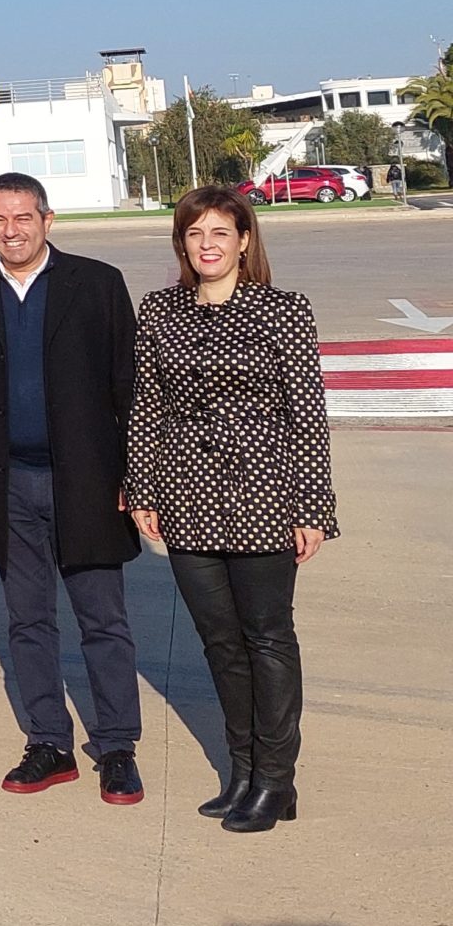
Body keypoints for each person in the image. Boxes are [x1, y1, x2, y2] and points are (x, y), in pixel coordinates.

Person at [126, 185, 338, 833]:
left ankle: (276, 779)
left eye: (221, 231)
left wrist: (312, 506)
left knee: (268, 637)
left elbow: (307, 414)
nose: (208, 244)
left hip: (267, 494)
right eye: (195, 234)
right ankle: (244, 772)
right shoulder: (160, 311)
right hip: (187, 493)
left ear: (245, 240)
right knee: (220, 641)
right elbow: (147, 407)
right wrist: (142, 489)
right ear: (182, 244)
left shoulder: (283, 311)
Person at [0, 172, 145, 804]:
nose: (11, 230)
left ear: (47, 219)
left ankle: (116, 747)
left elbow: (128, 388)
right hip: (9, 486)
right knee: (27, 621)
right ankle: (48, 741)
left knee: (102, 619)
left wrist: (135, 479)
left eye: (23, 217)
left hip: (86, 481)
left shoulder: (97, 283)